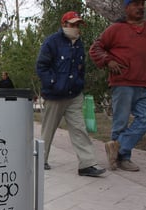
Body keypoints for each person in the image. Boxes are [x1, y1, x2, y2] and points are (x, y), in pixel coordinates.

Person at [89, 0, 146, 171]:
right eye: (135, 4)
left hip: (144, 84)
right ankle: (123, 159)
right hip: (122, 82)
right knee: (120, 122)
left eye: (142, 4)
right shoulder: (116, 29)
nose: (140, 7)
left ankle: (118, 147)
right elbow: (95, 49)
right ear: (126, 8)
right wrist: (108, 61)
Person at [36, 11, 106, 177]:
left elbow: (81, 68)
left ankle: (87, 164)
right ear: (64, 24)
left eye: (78, 25)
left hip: (74, 95)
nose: (76, 28)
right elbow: (41, 66)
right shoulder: (52, 42)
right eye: (73, 24)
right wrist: (53, 83)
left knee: (79, 129)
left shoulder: (79, 44)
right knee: (48, 130)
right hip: (55, 95)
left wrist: (79, 84)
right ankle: (40, 160)